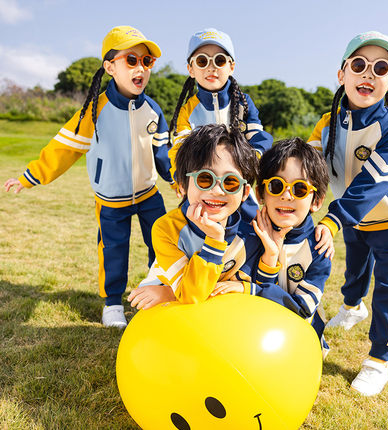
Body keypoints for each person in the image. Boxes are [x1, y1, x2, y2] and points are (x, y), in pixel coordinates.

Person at [4, 26, 175, 328]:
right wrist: (30, 177)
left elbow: (164, 153)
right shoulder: (95, 111)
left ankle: (155, 293)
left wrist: (177, 180)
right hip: (111, 201)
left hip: (149, 194)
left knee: (162, 245)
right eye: (131, 60)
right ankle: (112, 304)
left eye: (147, 62)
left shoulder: (153, 110)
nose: (141, 68)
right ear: (110, 67)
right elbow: (64, 148)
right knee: (113, 250)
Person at [308, 31, 388, 395]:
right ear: (342, 74)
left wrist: (334, 217)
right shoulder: (327, 122)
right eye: (359, 65)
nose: (368, 74)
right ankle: (352, 307)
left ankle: (379, 360)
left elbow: (372, 184)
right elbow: (306, 163)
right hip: (352, 219)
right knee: (354, 270)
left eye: (380, 67)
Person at [127, 124, 280, 308]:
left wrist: (271, 256)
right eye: (205, 179)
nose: (216, 190)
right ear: (182, 186)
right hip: (163, 296)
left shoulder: (250, 235)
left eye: (230, 182)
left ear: (245, 192)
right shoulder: (167, 229)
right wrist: (214, 241)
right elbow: (192, 296)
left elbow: (257, 294)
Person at [223, 138, 332, 357]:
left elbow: (301, 310)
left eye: (300, 189)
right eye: (276, 185)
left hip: (297, 345)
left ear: (317, 201)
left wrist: (251, 290)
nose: (287, 195)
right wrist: (270, 257)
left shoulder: (318, 249)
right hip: (252, 337)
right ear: (261, 194)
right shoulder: (248, 234)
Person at [168, 28, 273, 223]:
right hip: (202, 188)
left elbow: (259, 137)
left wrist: (250, 162)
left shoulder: (243, 102)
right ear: (190, 69)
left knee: (253, 232)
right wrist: (179, 178)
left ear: (231, 66)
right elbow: (178, 150)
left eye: (219, 60)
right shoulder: (188, 110)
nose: (211, 67)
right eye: (202, 61)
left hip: (236, 186)